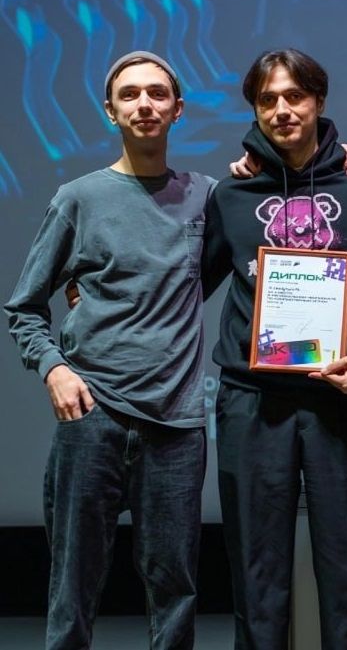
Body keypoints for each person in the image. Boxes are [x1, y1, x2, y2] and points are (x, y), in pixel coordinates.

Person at [202, 48, 347, 650]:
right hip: (251, 404)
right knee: (257, 577)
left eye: (294, 96)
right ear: (254, 109)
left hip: (339, 401)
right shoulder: (233, 192)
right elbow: (186, 282)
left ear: (319, 101)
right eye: (267, 99)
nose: (282, 110)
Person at [5, 51, 209, 650]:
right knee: (73, 585)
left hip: (176, 424)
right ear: (110, 111)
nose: (144, 104)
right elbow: (24, 306)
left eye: (156, 94)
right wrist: (54, 369)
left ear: (177, 109)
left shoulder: (206, 196)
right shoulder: (78, 198)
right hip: (94, 415)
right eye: (130, 95)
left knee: (175, 590)